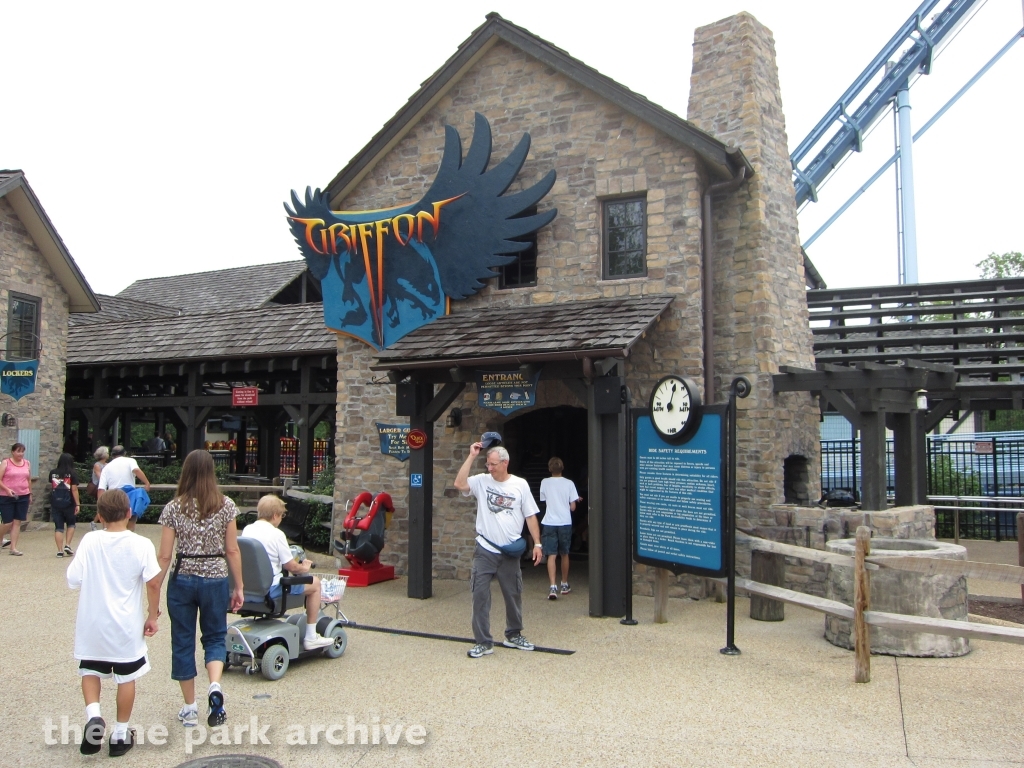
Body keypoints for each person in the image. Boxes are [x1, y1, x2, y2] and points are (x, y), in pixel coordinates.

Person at [67, 489, 161, 757]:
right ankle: (120, 735)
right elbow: (153, 582)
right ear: (129, 513)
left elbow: (74, 579)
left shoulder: (90, 541)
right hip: (125, 625)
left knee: (90, 670)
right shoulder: (141, 544)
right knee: (127, 677)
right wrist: (152, 615)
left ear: (99, 515)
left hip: (93, 623)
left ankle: (94, 716)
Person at [154, 450, 244, 728]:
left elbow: (165, 555)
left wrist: (154, 590)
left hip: (183, 576)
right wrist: (239, 585)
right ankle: (214, 686)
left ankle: (190, 708)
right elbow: (232, 549)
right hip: (215, 575)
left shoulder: (173, 507)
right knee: (215, 637)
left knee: (182, 640)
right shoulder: (226, 505)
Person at [454, 438, 542, 659]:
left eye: (493, 464)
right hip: (485, 549)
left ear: (505, 463)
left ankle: (513, 634)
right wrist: (471, 456)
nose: (489, 468)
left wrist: (538, 544)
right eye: (487, 464)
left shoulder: (520, 484)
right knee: (480, 595)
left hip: (509, 551)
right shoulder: (482, 481)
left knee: (513, 594)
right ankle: (483, 641)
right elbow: (459, 484)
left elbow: (530, 516)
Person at [239, 495, 334, 650]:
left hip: (248, 588)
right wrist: (304, 567)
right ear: (275, 515)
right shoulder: (277, 534)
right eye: (282, 515)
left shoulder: (247, 530)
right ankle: (311, 637)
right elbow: (291, 566)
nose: (281, 519)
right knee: (315, 583)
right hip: (271, 589)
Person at [539, 457, 581, 600]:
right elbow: (573, 507)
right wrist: (574, 501)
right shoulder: (569, 483)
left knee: (551, 554)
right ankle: (564, 583)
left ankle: (552, 586)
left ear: (550, 469)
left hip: (550, 521)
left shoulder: (544, 482)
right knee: (564, 553)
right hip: (564, 522)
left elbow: (544, 501)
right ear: (562, 468)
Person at [97, 446, 151, 530]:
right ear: (124, 453)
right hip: (129, 497)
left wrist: (101, 506)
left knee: (114, 522)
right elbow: (136, 470)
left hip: (114, 497)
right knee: (131, 521)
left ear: (112, 455)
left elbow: (101, 489)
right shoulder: (130, 461)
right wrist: (146, 482)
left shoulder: (106, 467)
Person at [0, 442, 32, 556]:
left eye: (22, 451)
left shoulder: (27, 463)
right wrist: (7, 489)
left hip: (23, 495)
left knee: (17, 522)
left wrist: (30, 494)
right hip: (6, 496)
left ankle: (13, 548)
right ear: (13, 452)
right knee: (7, 522)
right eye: (18, 451)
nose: (21, 454)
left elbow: (28, 480)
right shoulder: (6, 463)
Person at [49, 452, 81, 557]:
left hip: (56, 502)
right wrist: (78, 504)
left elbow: (52, 486)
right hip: (69, 502)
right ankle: (67, 544)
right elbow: (74, 489)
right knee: (71, 524)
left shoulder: (53, 473)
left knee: (58, 527)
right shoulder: (73, 473)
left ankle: (59, 550)